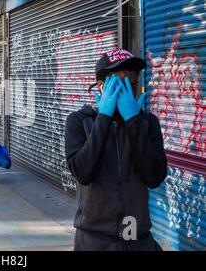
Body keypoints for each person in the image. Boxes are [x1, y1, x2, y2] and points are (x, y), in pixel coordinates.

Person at [64, 48, 168, 251]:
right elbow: (82, 172)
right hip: (94, 240)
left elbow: (154, 177)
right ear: (102, 87)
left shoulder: (147, 123)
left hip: (138, 239)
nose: (128, 91)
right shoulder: (79, 121)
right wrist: (103, 118)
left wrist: (133, 121)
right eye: (121, 85)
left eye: (133, 85)